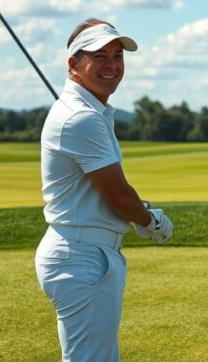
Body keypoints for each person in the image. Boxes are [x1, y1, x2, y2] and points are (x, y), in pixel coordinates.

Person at [35, 18, 174, 362]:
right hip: (82, 255)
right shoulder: (80, 117)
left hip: (83, 251)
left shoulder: (89, 112)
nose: (112, 65)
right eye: (100, 56)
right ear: (74, 64)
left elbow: (107, 192)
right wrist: (151, 222)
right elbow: (119, 197)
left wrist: (137, 212)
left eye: (118, 56)